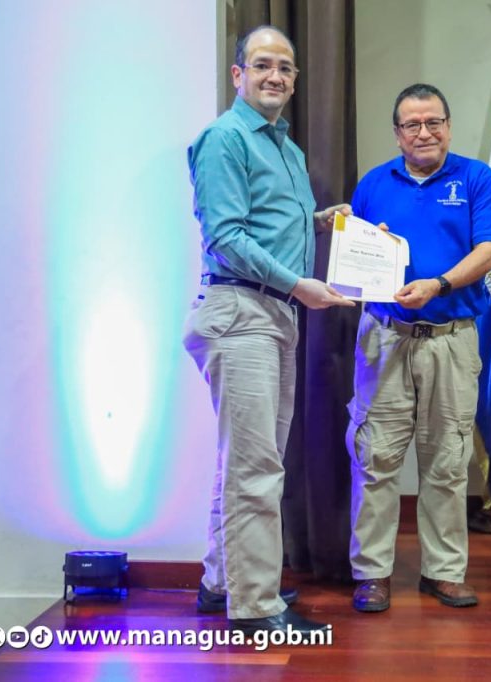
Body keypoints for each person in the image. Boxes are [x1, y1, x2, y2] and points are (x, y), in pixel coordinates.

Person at [183, 25, 354, 635]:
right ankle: (255, 608)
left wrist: (318, 221)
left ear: (295, 79)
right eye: (261, 65)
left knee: (249, 462)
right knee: (256, 469)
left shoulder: (287, 149)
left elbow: (261, 222)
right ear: (238, 75)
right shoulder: (225, 139)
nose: (274, 75)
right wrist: (299, 284)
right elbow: (226, 237)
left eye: (284, 67)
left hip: (271, 314)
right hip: (241, 312)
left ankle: (221, 583)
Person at [345, 83, 491, 613]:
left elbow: (490, 252)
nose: (424, 132)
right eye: (412, 124)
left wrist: (438, 285)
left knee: (448, 460)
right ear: (397, 134)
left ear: (449, 126)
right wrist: (363, 247)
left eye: (433, 121)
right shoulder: (373, 184)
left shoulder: (476, 178)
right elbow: (356, 260)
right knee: (375, 456)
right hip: (385, 337)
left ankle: (444, 571)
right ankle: (372, 573)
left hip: (451, 339)